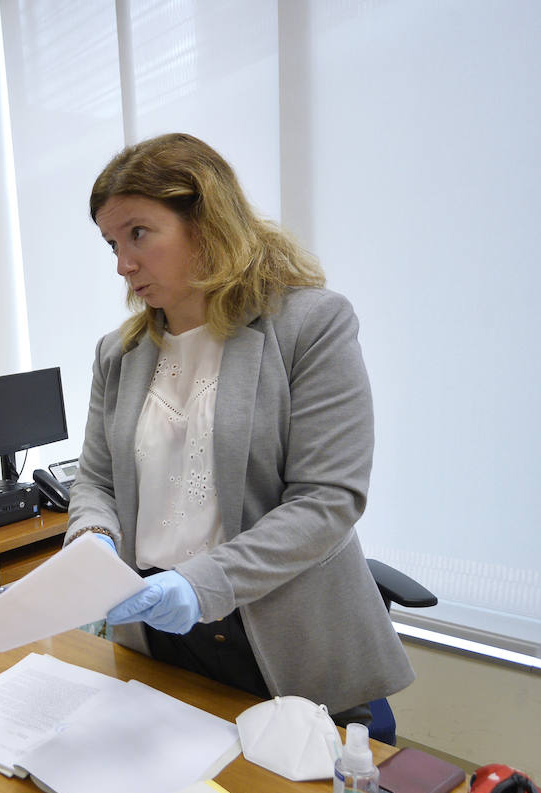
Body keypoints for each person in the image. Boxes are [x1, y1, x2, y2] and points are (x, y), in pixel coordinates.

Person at [64, 133, 413, 726]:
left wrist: (203, 584)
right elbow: (95, 479)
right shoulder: (118, 354)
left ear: (205, 222)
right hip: (159, 634)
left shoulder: (310, 326)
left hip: (277, 636)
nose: (123, 264)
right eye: (112, 243)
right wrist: (93, 535)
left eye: (139, 234)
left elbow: (328, 500)